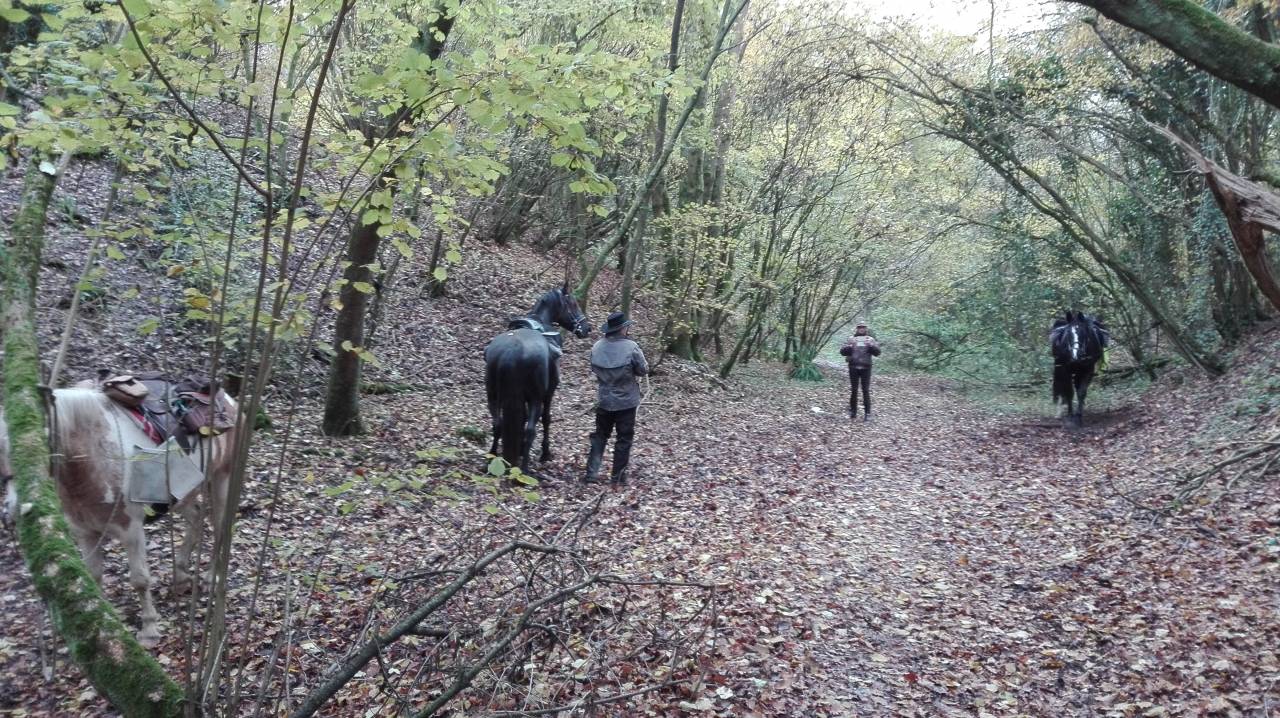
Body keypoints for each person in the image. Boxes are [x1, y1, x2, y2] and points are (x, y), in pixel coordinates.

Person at [584, 311, 649, 484]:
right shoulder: (632, 347)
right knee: (624, 438)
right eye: (627, 326)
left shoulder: (597, 346)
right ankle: (618, 478)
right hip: (626, 402)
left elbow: (594, 368)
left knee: (600, 436)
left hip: (604, 400)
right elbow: (643, 370)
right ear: (622, 329)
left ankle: (591, 473)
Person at [838, 319, 881, 421]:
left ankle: (868, 414)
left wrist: (871, 346)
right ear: (857, 329)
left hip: (866, 368)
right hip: (853, 367)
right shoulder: (851, 339)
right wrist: (849, 346)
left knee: (865, 391)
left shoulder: (870, 339)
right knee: (854, 390)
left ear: (866, 329)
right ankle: (853, 412)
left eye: (863, 327)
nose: (861, 329)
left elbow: (878, 353)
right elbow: (842, 352)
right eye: (860, 327)